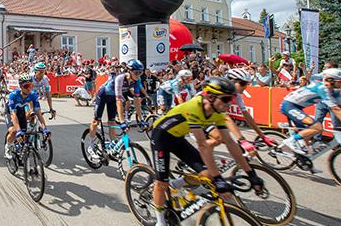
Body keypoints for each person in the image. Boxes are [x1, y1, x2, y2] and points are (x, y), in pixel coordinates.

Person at [150, 77, 264, 226]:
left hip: (177, 137)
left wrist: (251, 174)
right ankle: (160, 221)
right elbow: (203, 145)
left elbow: (230, 143)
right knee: (161, 183)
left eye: (232, 98)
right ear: (211, 97)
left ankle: (178, 182)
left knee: (207, 174)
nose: (230, 103)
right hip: (161, 137)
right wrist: (219, 180)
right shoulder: (194, 108)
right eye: (226, 99)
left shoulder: (217, 112)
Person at [280, 68, 341, 155]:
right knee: (317, 127)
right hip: (289, 106)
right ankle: (290, 141)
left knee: (307, 139)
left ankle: (306, 163)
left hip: (297, 107)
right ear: (331, 80)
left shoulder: (335, 91)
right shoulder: (323, 88)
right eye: (340, 82)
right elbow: (336, 109)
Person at [206, 68, 278, 154]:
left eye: (247, 84)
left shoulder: (236, 94)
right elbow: (226, 117)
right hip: (198, 117)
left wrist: (262, 136)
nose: (245, 86)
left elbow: (246, 114)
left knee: (235, 147)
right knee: (219, 139)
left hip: (213, 118)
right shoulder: (221, 92)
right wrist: (242, 140)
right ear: (231, 82)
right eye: (243, 83)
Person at [86, 59, 145, 160]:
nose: (138, 75)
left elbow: (136, 101)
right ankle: (91, 146)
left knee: (112, 123)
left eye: (141, 72)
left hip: (112, 98)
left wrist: (141, 119)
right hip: (103, 95)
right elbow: (119, 101)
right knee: (96, 121)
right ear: (129, 71)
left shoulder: (137, 80)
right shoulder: (120, 78)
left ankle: (112, 148)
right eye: (136, 72)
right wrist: (122, 122)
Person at [4, 74, 50, 159]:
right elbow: (13, 115)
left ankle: (19, 148)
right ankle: (8, 146)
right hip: (11, 111)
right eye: (26, 86)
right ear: (21, 86)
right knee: (14, 131)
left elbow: (39, 114)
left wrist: (45, 128)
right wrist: (18, 130)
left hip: (20, 110)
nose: (29, 88)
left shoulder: (33, 95)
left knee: (24, 134)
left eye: (31, 86)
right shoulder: (13, 95)